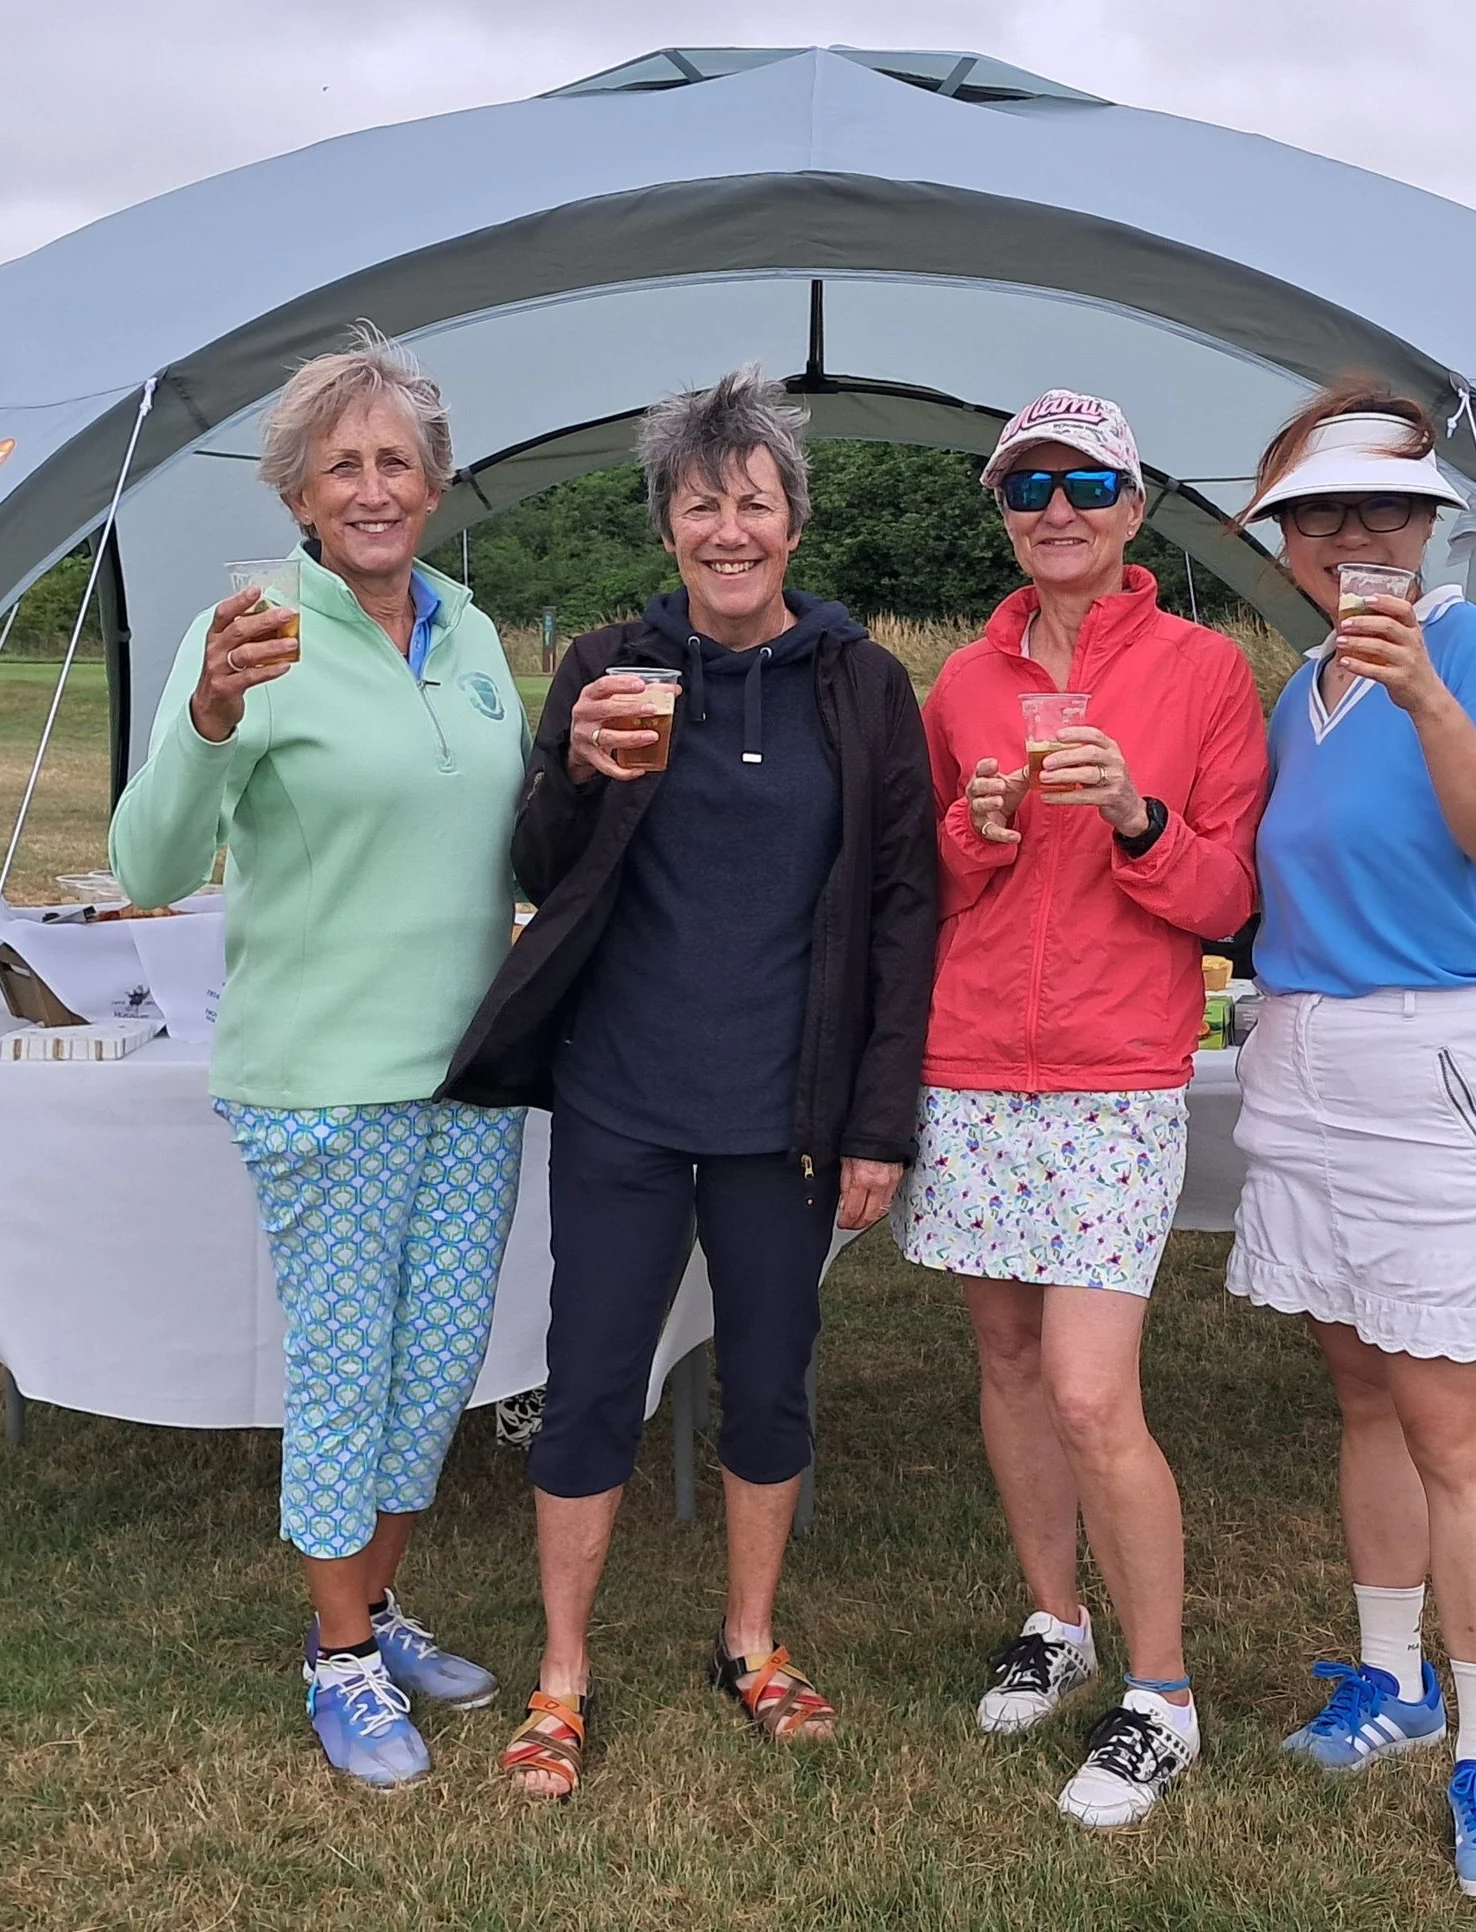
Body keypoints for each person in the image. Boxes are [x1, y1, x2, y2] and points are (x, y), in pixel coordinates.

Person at [446, 367, 937, 1802]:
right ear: (668, 524)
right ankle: (561, 1676)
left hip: (785, 1116)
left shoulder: (862, 685)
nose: (730, 529)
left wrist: (875, 1118)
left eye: (756, 502)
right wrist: (581, 772)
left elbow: (904, 908)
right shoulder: (607, 665)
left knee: (772, 1385)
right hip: (625, 1102)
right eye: (701, 503)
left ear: (795, 521)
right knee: (591, 1382)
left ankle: (751, 1642)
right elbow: (535, 869)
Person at [109, 327, 526, 1790]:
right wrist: (215, 717)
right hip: (322, 1085)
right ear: (296, 495)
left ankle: (378, 1606)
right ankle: (338, 1656)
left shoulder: (469, 633)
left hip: (470, 1078)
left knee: (435, 1371)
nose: (371, 486)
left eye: (396, 461)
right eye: (340, 464)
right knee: (351, 1373)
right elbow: (149, 859)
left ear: (435, 485)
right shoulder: (251, 632)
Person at [892, 389, 1269, 1830]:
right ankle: (1057, 1621)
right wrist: (968, 832)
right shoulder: (964, 686)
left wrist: (1137, 819)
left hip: (1116, 1070)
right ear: (1002, 509)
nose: (1056, 507)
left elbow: (1229, 895)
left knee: (1092, 1389)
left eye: (1087, 482)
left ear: (1136, 506)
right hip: (976, 1057)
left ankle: (1161, 1696)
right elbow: (924, 881)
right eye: (1027, 484)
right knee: (1004, 1362)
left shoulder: (1202, 674)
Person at [1224, 378, 1476, 1899]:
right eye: (1320, 515)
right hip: (1305, 1058)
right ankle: (1393, 1679)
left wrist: (1428, 693)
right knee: (1363, 1387)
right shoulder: (1298, 691)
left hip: (1442, 1065)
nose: (1352, 537)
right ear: (1288, 544)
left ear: (1429, 530)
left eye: (1384, 511)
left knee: (1455, 1427)